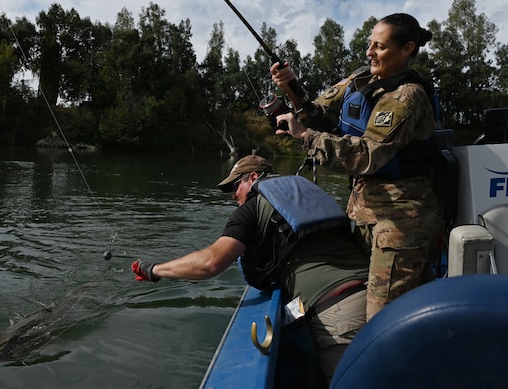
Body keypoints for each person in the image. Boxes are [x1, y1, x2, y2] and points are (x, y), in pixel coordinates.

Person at [132, 155, 369, 385]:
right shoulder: (306, 195)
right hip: (377, 291)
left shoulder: (251, 209)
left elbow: (210, 262)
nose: (233, 195)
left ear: (252, 177)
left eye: (235, 186)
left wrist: (154, 270)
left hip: (338, 311)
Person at [271, 13, 441, 321]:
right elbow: (316, 110)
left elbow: (368, 155)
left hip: (399, 220)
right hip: (364, 214)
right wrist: (290, 86)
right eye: (370, 44)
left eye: (381, 46)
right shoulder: (361, 79)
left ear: (407, 49)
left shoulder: (407, 95)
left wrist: (304, 136)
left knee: (382, 319)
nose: (369, 52)